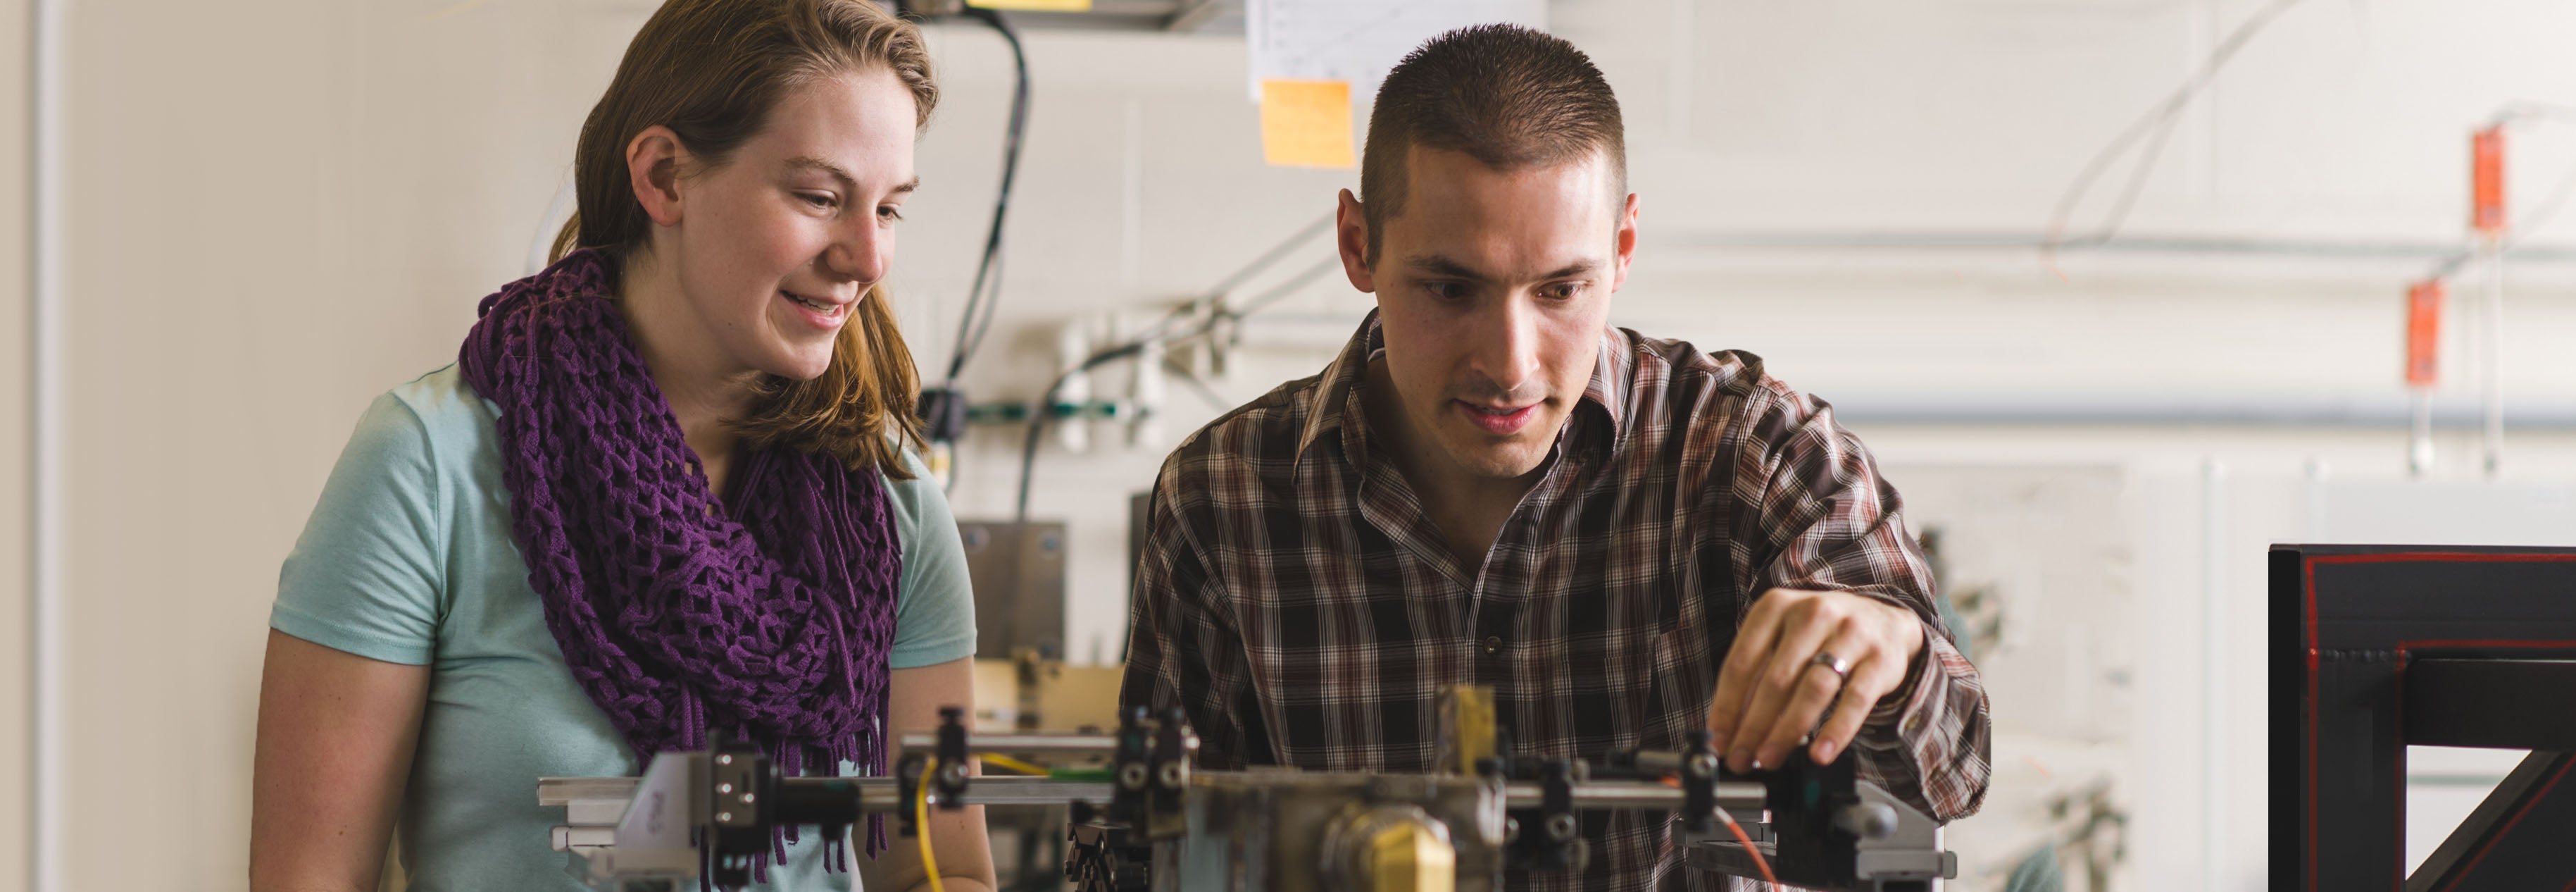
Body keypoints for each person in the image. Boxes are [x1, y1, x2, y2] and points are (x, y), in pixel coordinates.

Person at [1118, 24, 1989, 892]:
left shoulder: (1753, 454)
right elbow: (1146, 850)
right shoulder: (1223, 498)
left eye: (1558, 290)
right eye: (1450, 289)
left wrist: (1894, 650)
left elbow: (1949, 779)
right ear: (1357, 245)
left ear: (1622, 248)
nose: (1509, 362)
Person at [250, 2, 994, 890]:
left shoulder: (889, 507)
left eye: (890, 208)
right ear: (664, 176)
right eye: (819, 197)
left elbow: (936, 870)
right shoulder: (428, 465)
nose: (868, 257)